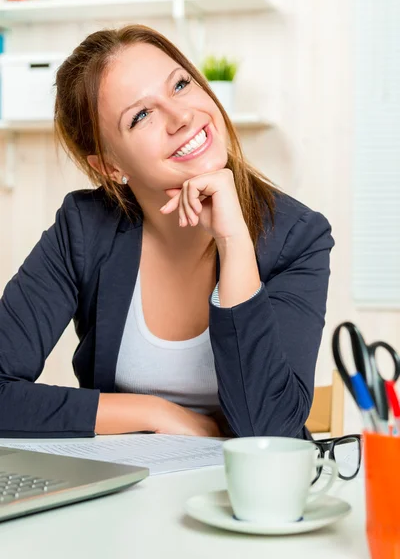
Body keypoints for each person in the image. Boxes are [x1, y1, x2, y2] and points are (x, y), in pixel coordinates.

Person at [0, 25, 334, 440]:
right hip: (125, 493)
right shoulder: (84, 230)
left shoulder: (296, 237)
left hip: (246, 500)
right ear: (109, 166)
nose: (181, 117)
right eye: (141, 116)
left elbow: (270, 432)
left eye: (180, 84)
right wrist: (154, 413)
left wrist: (234, 245)